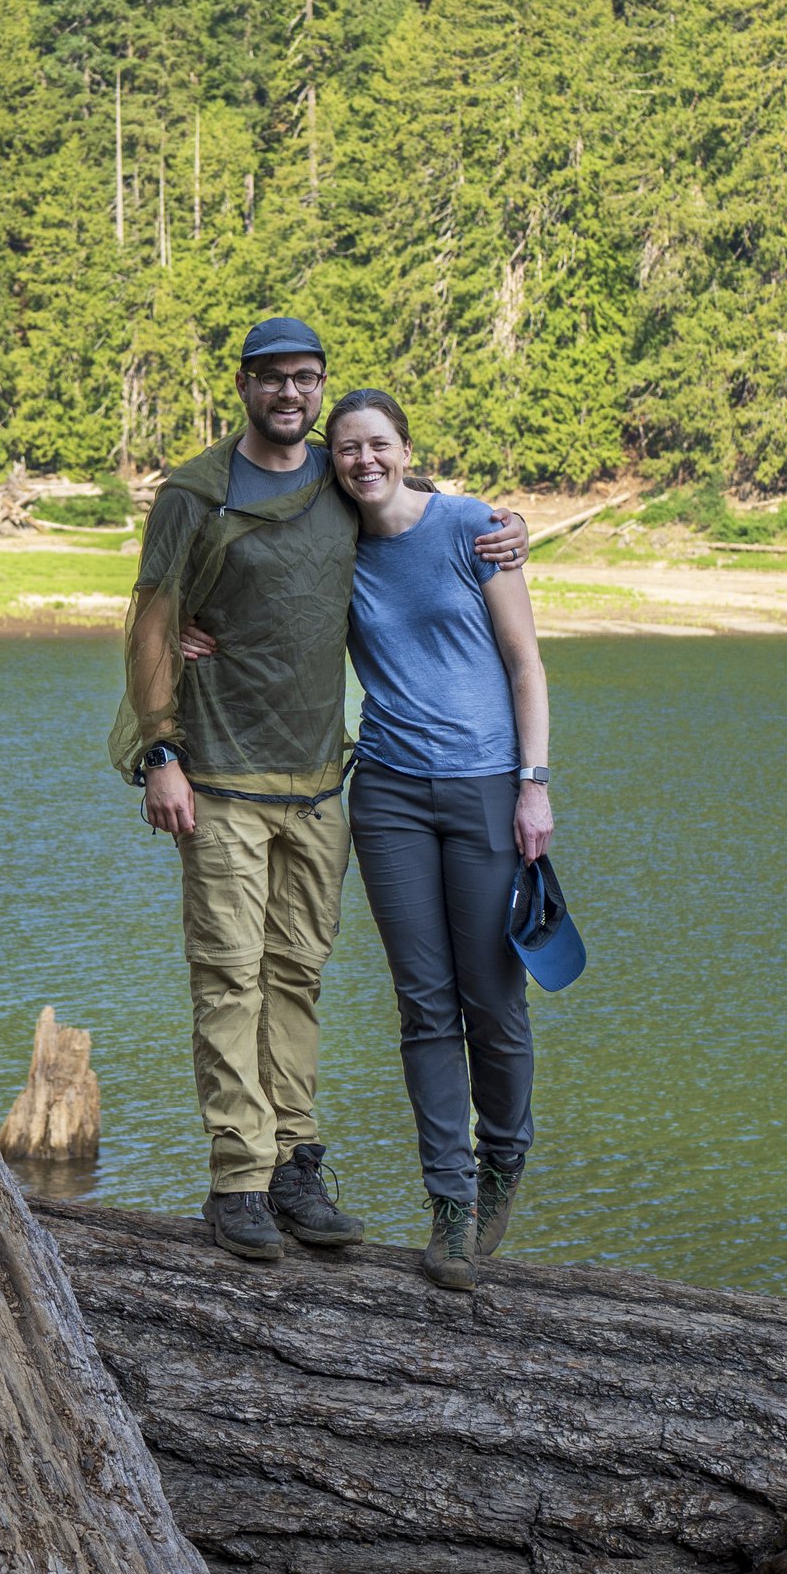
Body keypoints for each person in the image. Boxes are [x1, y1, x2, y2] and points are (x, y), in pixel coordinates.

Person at [115, 318, 524, 1267]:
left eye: (305, 379)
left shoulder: (340, 486)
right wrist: (159, 753)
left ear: (321, 385)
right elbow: (153, 622)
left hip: (319, 786)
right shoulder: (195, 493)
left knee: (296, 975)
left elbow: (420, 509)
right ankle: (237, 1178)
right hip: (216, 778)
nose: (289, 394)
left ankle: (294, 1161)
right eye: (271, 379)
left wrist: (507, 526)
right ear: (244, 386)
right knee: (229, 976)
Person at [327, 388, 554, 1297]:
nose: (363, 459)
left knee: (494, 1002)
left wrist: (533, 785)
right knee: (425, 1005)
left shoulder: (471, 528)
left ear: (406, 447)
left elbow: (525, 661)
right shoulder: (332, 544)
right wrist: (190, 631)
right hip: (385, 794)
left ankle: (503, 1158)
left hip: (488, 789)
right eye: (347, 448)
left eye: (378, 443)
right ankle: (450, 1204)